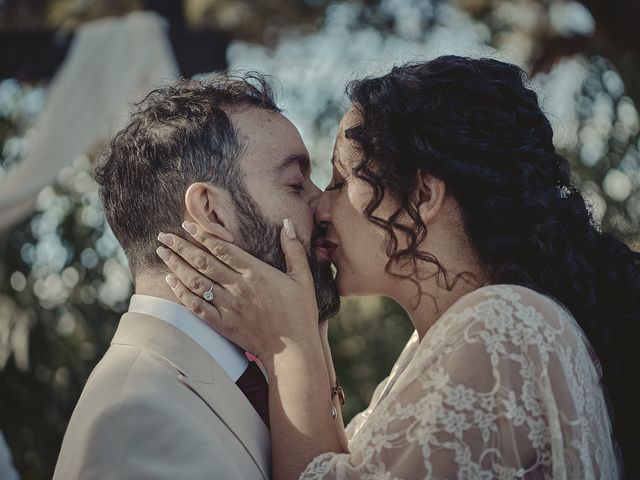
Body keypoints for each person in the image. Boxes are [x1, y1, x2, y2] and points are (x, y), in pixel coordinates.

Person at [158, 56, 634, 479]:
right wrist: (310, 332)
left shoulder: (497, 326)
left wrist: (288, 347)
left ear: (424, 195)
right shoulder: (445, 341)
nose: (320, 207)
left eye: (342, 182)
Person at [53, 74, 340, 479]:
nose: (323, 204)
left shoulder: (249, 367)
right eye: (296, 184)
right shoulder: (135, 419)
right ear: (211, 211)